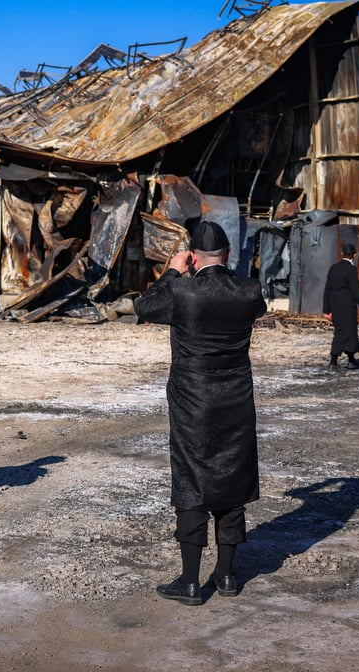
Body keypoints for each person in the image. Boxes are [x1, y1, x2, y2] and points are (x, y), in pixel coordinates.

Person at [135, 221, 267, 606]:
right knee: (232, 481)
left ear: (193, 257)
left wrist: (173, 270)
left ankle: (190, 581)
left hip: (193, 402)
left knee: (192, 483)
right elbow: (252, 305)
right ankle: (226, 574)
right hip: (236, 401)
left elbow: (144, 307)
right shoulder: (249, 291)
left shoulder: (181, 290)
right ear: (227, 254)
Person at [322, 242, 359, 368]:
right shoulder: (351, 269)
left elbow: (327, 289)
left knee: (339, 331)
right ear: (354, 255)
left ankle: (336, 361)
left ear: (342, 253)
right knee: (350, 332)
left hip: (335, 306)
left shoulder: (333, 268)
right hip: (348, 306)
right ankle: (350, 361)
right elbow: (356, 290)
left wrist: (326, 310)